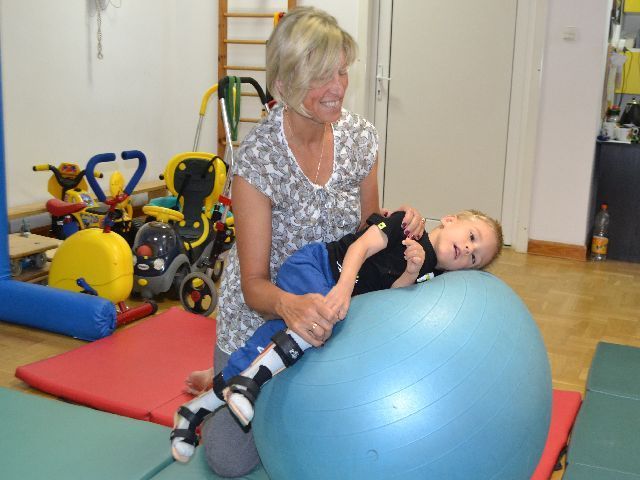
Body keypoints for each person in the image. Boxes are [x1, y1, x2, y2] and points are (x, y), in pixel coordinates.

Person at [186, 7, 426, 477]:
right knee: (230, 460)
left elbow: (369, 228)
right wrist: (292, 307)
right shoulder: (259, 159)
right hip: (266, 314)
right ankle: (223, 374)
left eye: (342, 71)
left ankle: (226, 376)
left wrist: (401, 224)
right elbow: (254, 284)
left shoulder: (360, 139)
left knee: (353, 434)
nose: (338, 87)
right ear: (284, 85)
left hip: (333, 306)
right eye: (321, 77)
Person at [171, 209, 503, 463]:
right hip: (317, 268)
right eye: (472, 236)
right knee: (318, 324)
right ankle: (249, 384)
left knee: (266, 344)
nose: (468, 248)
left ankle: (192, 413)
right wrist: (343, 289)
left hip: (331, 304)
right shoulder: (406, 224)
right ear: (451, 219)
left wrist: (411, 273)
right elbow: (360, 247)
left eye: (475, 257)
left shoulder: (431, 276)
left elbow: (386, 301)